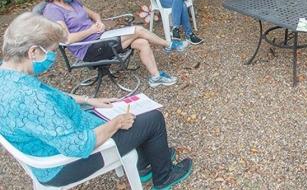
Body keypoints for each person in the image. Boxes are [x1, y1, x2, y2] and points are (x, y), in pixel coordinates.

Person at [0, 13, 193, 189]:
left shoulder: (8, 75)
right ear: (33, 52)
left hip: (53, 143)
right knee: (153, 119)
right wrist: (116, 123)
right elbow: (79, 145)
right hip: (64, 164)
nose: (53, 57)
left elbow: (53, 97)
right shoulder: (30, 98)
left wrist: (89, 101)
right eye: (52, 51)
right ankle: (164, 177)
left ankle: (144, 165)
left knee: (123, 112)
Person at [41, 0, 181, 88]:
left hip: (100, 38)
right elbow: (67, 39)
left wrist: (99, 23)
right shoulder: (53, 11)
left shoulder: (72, 1)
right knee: (137, 30)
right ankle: (169, 45)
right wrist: (91, 30)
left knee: (142, 42)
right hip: (88, 49)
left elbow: (95, 15)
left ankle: (155, 77)